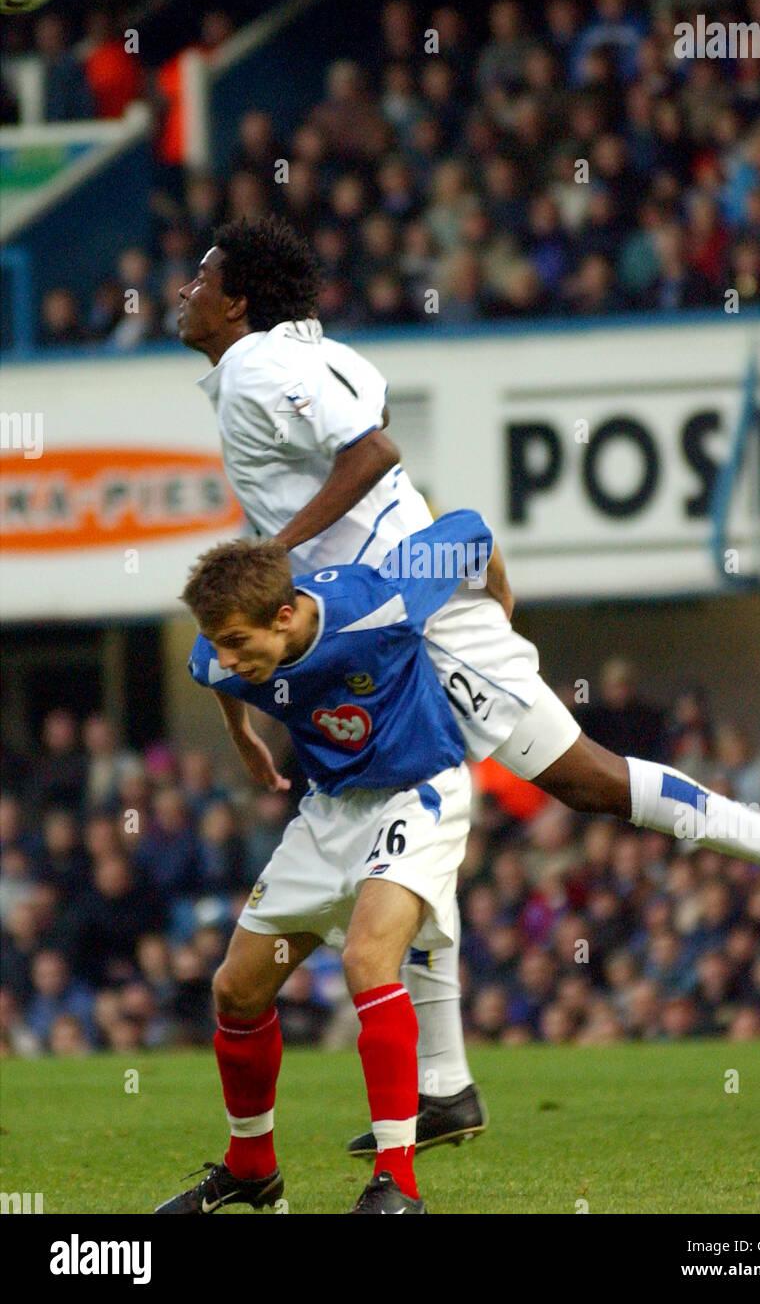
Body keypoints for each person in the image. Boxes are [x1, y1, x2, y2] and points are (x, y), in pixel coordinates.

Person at [177, 216, 760, 1156]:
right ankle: (447, 1084)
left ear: (239, 300)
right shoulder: (304, 354)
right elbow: (381, 465)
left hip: (411, 619)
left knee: (582, 777)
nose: (183, 292)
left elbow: (374, 453)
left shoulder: (259, 366)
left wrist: (273, 558)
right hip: (394, 608)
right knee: (400, 822)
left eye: (200, 278)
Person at [155, 510, 494, 1214]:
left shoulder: (379, 602)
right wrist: (242, 733)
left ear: (285, 615)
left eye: (239, 644)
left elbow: (470, 531)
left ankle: (397, 1184)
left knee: (368, 959)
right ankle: (252, 1168)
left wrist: (502, 618)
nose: (227, 658)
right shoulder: (223, 649)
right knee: (236, 991)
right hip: (329, 811)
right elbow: (210, 668)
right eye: (217, 643)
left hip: (417, 793)